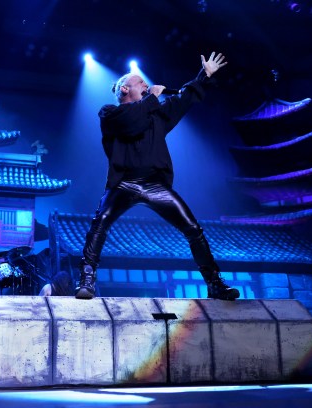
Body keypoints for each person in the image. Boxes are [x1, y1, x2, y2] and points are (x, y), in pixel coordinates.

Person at [75, 52, 239, 302]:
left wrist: (203, 76)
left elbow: (183, 100)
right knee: (101, 221)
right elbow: (132, 123)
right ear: (124, 89)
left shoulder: (155, 115)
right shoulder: (110, 113)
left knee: (193, 228)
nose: (145, 84)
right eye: (140, 82)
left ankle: (214, 283)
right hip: (124, 183)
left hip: (155, 184)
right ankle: (87, 279)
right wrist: (152, 97)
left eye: (145, 83)